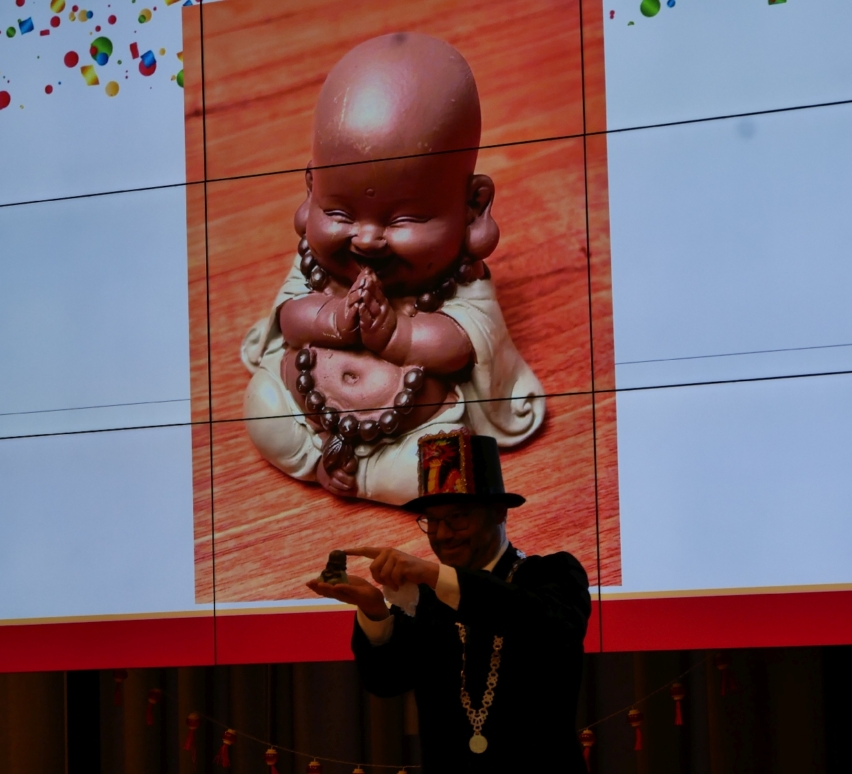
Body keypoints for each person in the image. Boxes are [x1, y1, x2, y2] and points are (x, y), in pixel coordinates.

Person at [242, 32, 544, 506]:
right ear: (311, 189)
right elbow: (290, 318)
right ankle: (314, 457)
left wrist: (395, 336)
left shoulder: (460, 280)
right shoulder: (319, 266)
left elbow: (460, 345)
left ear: (472, 207)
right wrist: (334, 319)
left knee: (446, 465)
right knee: (261, 407)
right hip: (306, 407)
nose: (366, 239)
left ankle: (372, 477)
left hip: (413, 428)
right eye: (338, 213)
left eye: (405, 219)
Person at [308, 433, 591, 772]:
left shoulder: (553, 574)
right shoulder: (428, 597)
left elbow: (544, 626)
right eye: (432, 521)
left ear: (498, 512)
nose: (442, 534)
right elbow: (385, 681)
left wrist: (434, 574)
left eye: (457, 517)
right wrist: (375, 611)